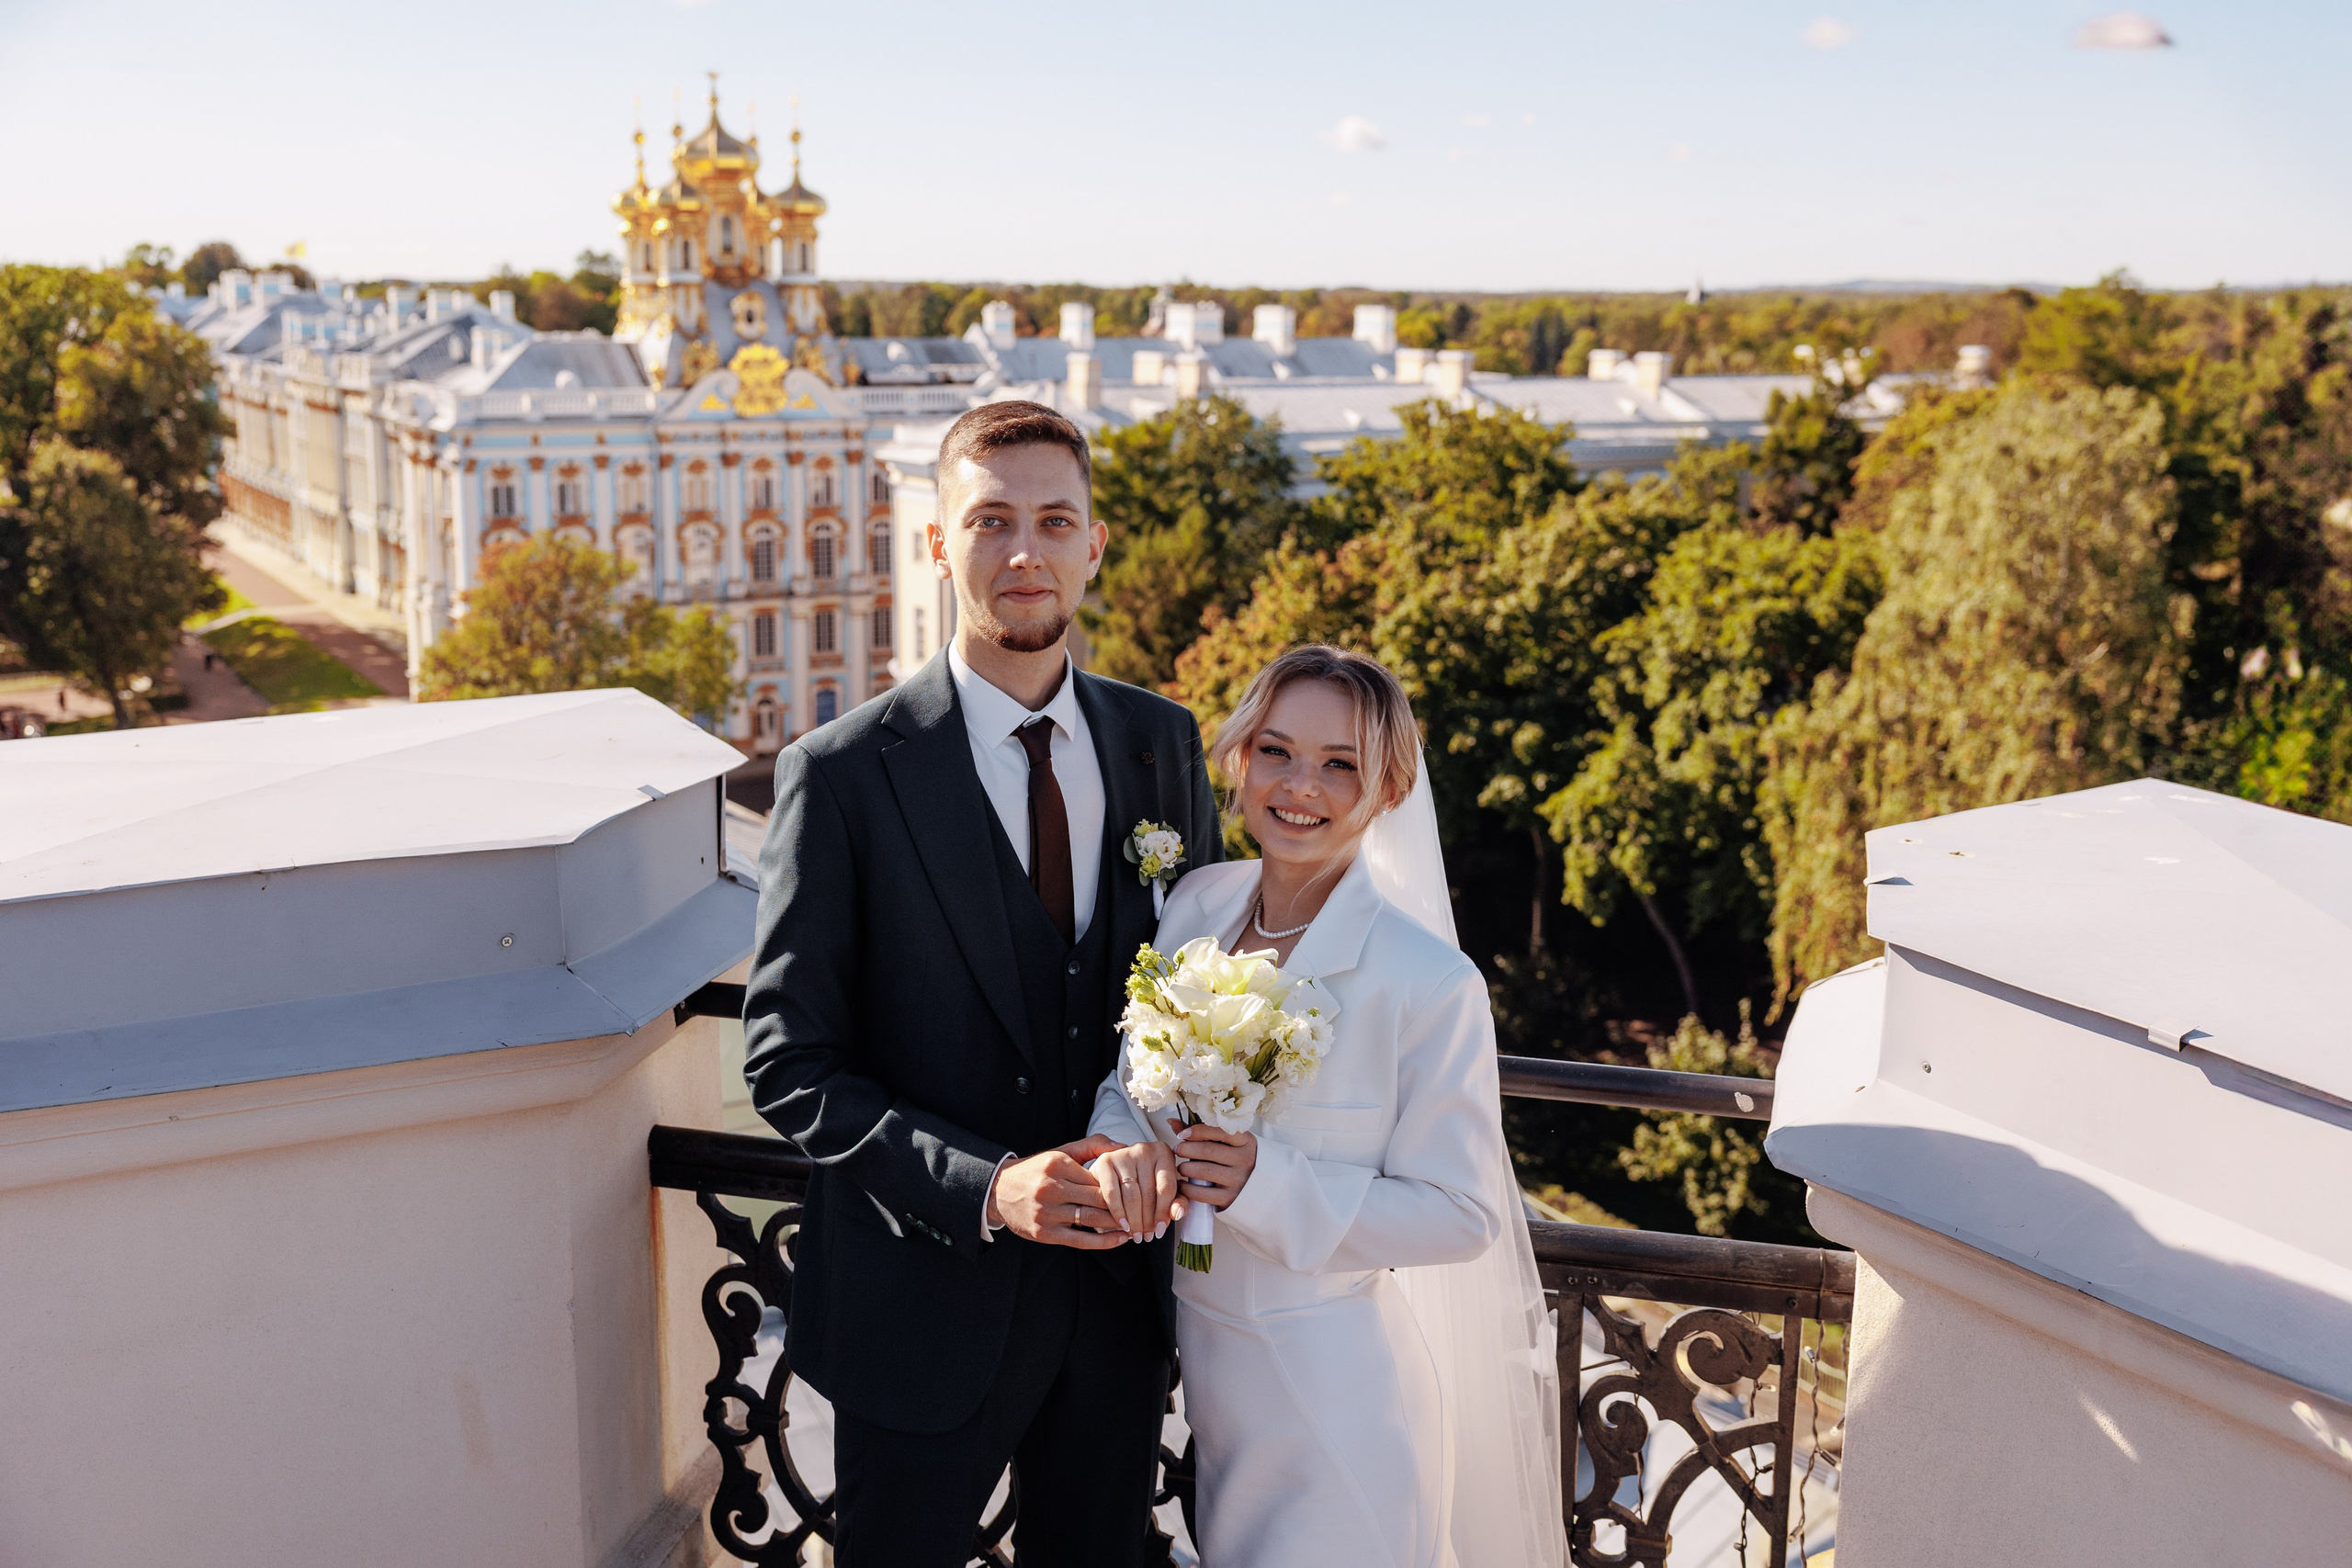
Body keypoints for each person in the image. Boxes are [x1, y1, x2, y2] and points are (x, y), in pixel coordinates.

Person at [742, 400, 1222, 1567]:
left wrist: (1159, 1139)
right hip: (919, 1307)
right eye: (990, 521)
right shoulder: (840, 774)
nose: (1024, 552)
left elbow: (1200, 999)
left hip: (1117, 1310)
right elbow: (788, 1064)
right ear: (936, 542)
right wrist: (988, 1188)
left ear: (1094, 545)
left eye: (1055, 522)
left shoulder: (1162, 744)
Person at [1089, 645, 1565, 1568]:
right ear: (1239, 758)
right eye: (1276, 750)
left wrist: (1264, 1184)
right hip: (1211, 1391)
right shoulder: (1195, 905)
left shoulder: (1428, 981)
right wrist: (1121, 1147)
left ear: (1387, 789)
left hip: (1339, 1409)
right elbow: (1128, 1082)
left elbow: (1463, 1212)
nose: (1300, 785)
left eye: (1339, 764)